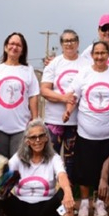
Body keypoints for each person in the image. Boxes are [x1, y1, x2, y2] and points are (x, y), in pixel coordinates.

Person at [65, 41, 109, 216]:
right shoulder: (84, 73)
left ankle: (100, 203)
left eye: (103, 53)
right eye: (97, 53)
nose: (100, 56)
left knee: (105, 170)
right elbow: (73, 97)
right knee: (85, 171)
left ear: (108, 55)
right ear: (92, 55)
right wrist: (68, 111)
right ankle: (84, 203)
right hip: (86, 133)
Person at [0, 32, 40, 157]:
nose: (14, 47)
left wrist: (35, 121)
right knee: (1, 166)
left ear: (23, 50)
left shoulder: (28, 70)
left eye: (19, 45)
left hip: (20, 127)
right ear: (5, 47)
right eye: (12, 44)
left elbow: (33, 96)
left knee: (17, 164)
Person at [40, 30, 86, 178]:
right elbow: (44, 90)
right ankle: (49, 193)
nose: (69, 43)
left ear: (78, 43)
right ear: (61, 44)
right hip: (54, 121)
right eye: (66, 41)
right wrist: (63, 98)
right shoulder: (54, 64)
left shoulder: (86, 64)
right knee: (49, 158)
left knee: (72, 160)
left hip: (77, 121)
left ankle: (68, 195)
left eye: (72, 40)